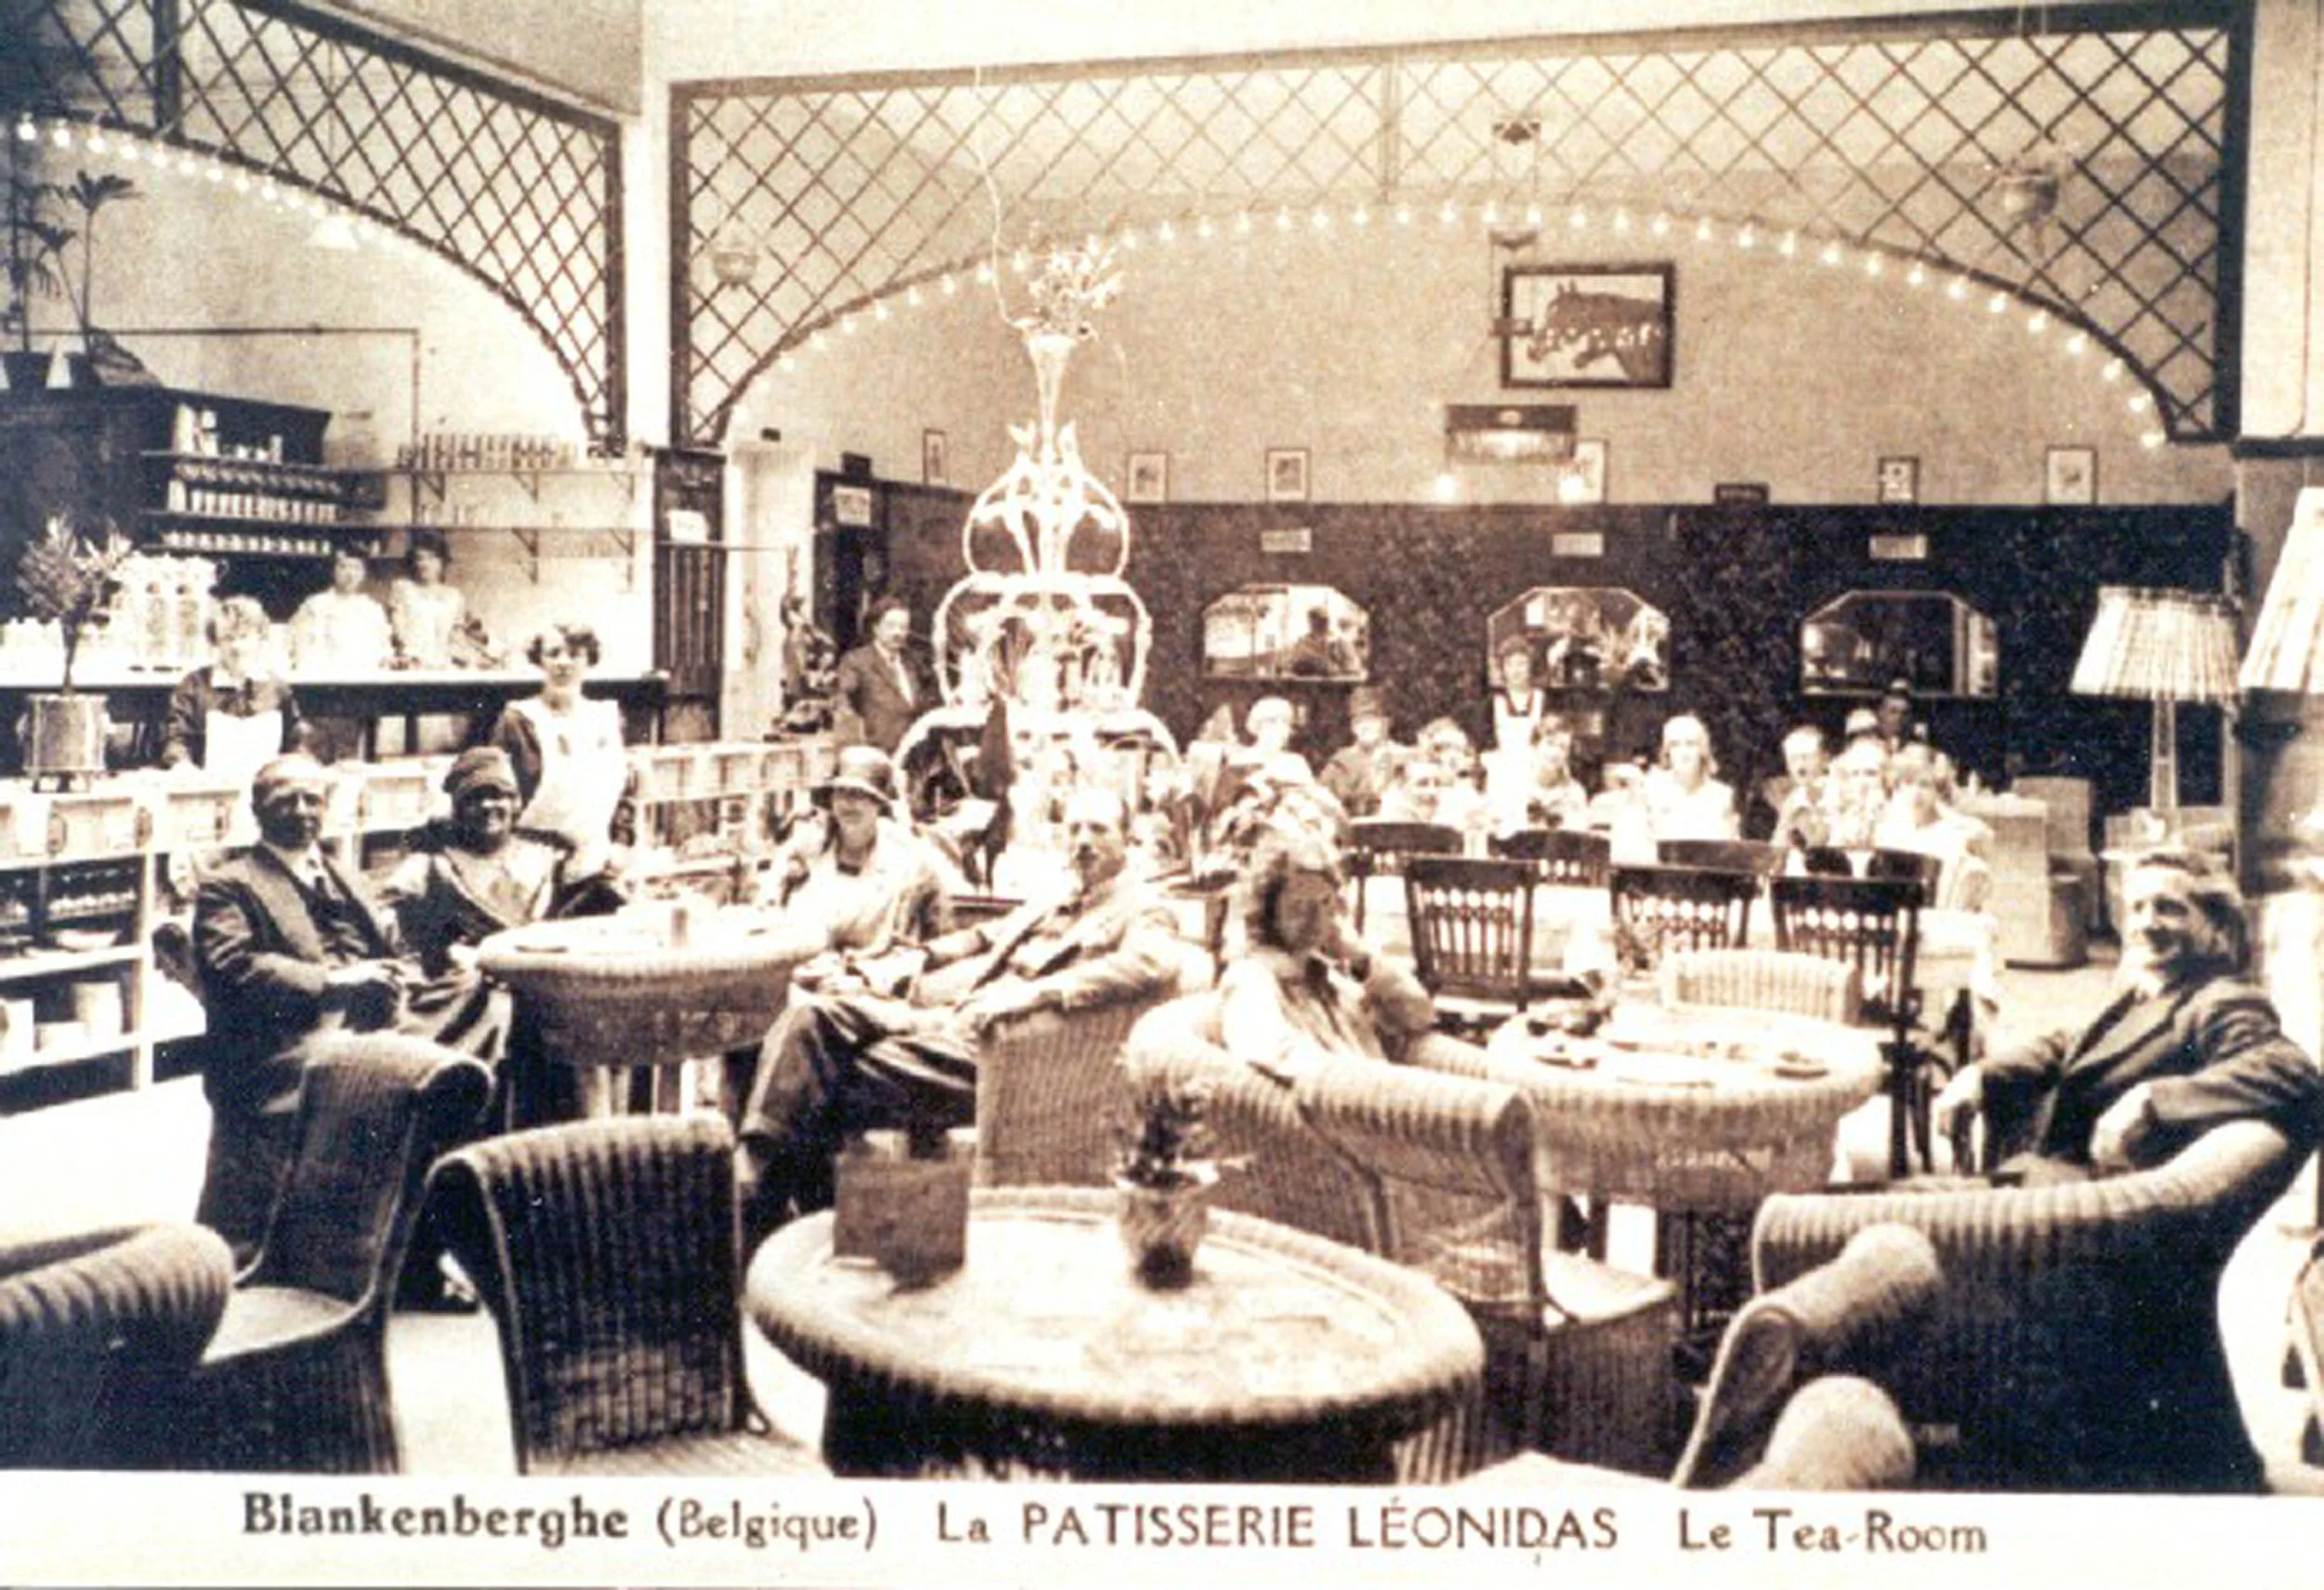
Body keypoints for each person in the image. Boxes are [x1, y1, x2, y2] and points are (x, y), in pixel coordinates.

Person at [737, 786, 1183, 1237]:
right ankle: (775, 1190)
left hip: (1000, 1053)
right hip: (952, 1018)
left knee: (814, 1075)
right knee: (811, 1017)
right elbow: (986, 937)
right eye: (1075, 829)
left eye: (1099, 829)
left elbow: (1154, 962)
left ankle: (761, 1198)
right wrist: (916, 958)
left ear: (1127, 838)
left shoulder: (1144, 907)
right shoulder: (1058, 895)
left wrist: (1039, 993)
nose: (1083, 840)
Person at [1934, 849, 2320, 1187]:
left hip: (2082, 1205)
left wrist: (2153, 1100)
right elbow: (2075, 1043)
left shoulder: (2220, 999)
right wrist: (1981, 1074)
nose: (2146, 923)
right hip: (2036, 1175)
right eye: (2137, 908)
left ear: (2215, 925)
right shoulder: (2147, 986)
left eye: (2169, 908)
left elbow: (2291, 1070)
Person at [189, 755, 416, 1263]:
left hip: (362, 1028)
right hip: (276, 1045)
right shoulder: (231, 882)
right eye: (284, 800)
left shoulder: (345, 874)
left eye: (312, 799)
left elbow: (388, 943)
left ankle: (383, 1259)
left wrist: (399, 971)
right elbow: (233, 965)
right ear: (257, 810)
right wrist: (334, 981)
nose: (301, 810)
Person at [1217, 822, 1434, 1083]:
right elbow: (1274, 1051)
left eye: (1324, 903)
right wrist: (1369, 1084)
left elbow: (1420, 1014)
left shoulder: (1329, 975)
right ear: (1269, 911)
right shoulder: (1251, 977)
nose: (1315, 919)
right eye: (1299, 906)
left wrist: (1362, 958)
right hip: (1349, 1106)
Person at [485, 622, 631, 861]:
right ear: (539, 660)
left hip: (595, 857)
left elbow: (623, 790)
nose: (563, 662)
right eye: (553, 654)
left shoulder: (606, 717)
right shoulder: (519, 720)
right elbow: (493, 796)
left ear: (589, 660)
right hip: (529, 861)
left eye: (575, 654)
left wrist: (621, 844)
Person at [161, 595, 309, 782]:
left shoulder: (277, 688)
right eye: (228, 639)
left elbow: (296, 742)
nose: (237, 647)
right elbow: (176, 739)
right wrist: (183, 767)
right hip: (209, 787)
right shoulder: (194, 686)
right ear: (215, 642)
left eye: (244, 637)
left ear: (259, 637)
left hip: (266, 792)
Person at [832, 596, 928, 753]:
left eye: (903, 627)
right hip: (876, 757)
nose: (898, 633)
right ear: (876, 628)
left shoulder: (914, 662)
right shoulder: (857, 662)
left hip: (913, 756)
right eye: (891, 626)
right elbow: (842, 700)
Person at [289, 547, 394, 674]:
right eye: (343, 567)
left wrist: (386, 660)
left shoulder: (372, 608)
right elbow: (301, 650)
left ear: (364, 574)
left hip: (366, 678)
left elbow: (384, 649)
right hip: (325, 678)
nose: (350, 574)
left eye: (356, 568)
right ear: (333, 571)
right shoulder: (315, 605)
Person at [1642, 713, 1738, 841]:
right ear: (1666, 752)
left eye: (1691, 744)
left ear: (1703, 750)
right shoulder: (1651, 793)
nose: (1683, 753)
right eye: (1675, 744)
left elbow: (1730, 850)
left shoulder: (1722, 796)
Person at [1318, 686, 1407, 818]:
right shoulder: (1340, 764)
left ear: (1385, 723)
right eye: (1359, 722)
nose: (1366, 727)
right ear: (1352, 727)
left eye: (1372, 720)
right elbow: (1322, 801)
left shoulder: (1405, 759)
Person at [387, 530, 468, 669]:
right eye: (420, 558)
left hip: (445, 666)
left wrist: (463, 656)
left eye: (431, 558)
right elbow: (399, 633)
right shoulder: (403, 589)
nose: (424, 564)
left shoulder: (454, 596)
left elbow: (456, 636)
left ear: (442, 562)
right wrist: (412, 658)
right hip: (411, 665)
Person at [1754, 724, 1831, 847]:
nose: (1800, 767)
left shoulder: (1840, 796)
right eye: (1793, 759)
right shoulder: (1792, 801)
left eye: (1806, 758)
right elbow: (1778, 848)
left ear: (1825, 759)